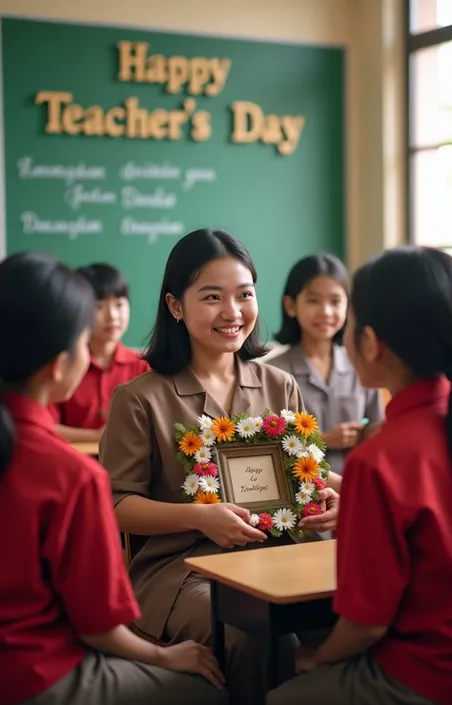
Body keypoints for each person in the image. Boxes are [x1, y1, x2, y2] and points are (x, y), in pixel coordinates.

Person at [99, 229, 341, 705]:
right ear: (175, 305)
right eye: (212, 297)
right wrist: (198, 516)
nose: (233, 312)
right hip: (186, 569)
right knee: (250, 633)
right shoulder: (139, 398)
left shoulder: (280, 383)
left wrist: (337, 494)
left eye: (244, 294)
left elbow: (308, 473)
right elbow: (115, 503)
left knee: (353, 613)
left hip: (284, 554)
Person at [0, 252, 227, 705]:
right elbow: (100, 628)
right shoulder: (70, 474)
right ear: (59, 364)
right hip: (34, 672)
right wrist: (165, 656)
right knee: (210, 686)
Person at [268, 246, 452, 705]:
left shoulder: (379, 460)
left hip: (427, 672)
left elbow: (365, 625)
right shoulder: (445, 429)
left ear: (370, 342)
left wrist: (319, 659)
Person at [269, 254, 383, 476]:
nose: (326, 312)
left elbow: (378, 428)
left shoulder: (364, 364)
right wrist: (323, 440)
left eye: (335, 301)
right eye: (313, 301)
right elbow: (269, 446)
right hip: (300, 496)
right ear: (291, 305)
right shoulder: (273, 372)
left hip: (359, 486)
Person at [50, 263, 149, 443]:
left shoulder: (144, 367)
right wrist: (95, 437)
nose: (112, 316)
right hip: (75, 462)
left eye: (119, 304)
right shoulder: (62, 366)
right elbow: (46, 426)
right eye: (99, 306)